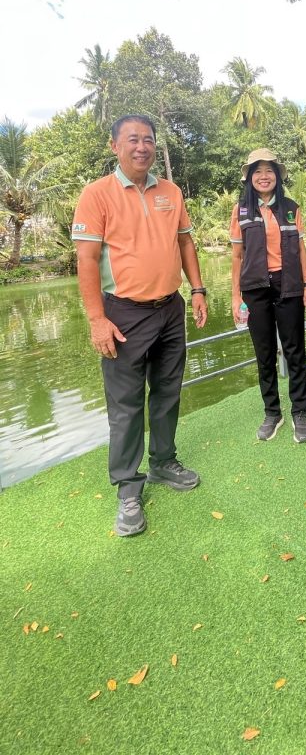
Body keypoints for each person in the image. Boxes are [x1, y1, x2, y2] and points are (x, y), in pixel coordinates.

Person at [72, 114, 208, 536]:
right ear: (115, 146)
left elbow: (185, 242)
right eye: (132, 140)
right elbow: (86, 259)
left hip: (170, 308)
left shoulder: (171, 191)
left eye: (148, 140)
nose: (142, 147)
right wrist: (97, 319)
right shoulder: (97, 194)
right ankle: (129, 489)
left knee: (167, 391)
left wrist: (198, 289)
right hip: (123, 313)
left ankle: (163, 462)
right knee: (126, 404)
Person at [230, 148, 306, 443]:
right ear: (250, 178)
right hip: (255, 288)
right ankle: (272, 412)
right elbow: (236, 256)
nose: (264, 176)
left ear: (278, 177)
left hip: (289, 284)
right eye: (258, 171)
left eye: (269, 171)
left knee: (295, 351)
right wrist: (235, 297)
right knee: (264, 353)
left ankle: (300, 412)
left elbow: (301, 249)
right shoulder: (240, 210)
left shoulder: (291, 208)